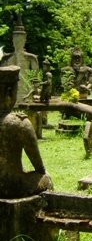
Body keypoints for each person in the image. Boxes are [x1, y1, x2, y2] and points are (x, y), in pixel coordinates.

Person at [0, 65, 53, 198]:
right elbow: (39, 167)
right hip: (11, 185)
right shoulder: (19, 123)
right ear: (10, 92)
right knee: (46, 178)